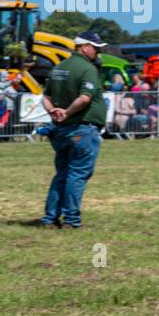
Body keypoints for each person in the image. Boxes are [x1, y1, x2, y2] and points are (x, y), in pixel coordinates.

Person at [40, 31, 106, 229]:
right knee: (77, 175)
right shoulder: (87, 69)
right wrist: (67, 112)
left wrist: (53, 111)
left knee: (62, 174)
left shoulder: (58, 67)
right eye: (96, 48)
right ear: (85, 47)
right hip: (81, 129)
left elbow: (46, 97)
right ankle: (71, 220)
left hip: (60, 130)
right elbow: (85, 98)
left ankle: (50, 218)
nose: (97, 53)